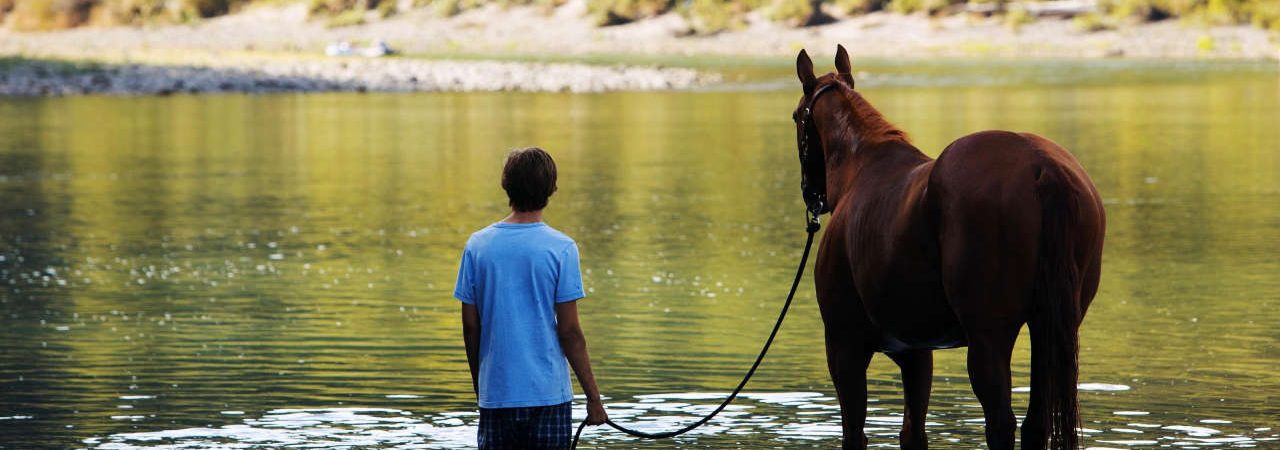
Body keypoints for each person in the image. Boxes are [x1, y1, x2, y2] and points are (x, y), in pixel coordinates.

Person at [455, 147, 608, 449]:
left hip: (497, 395)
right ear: (551, 189)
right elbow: (570, 332)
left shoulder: (478, 246)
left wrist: (482, 385)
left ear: (505, 186)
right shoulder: (561, 248)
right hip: (547, 396)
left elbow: (471, 327)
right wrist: (594, 398)